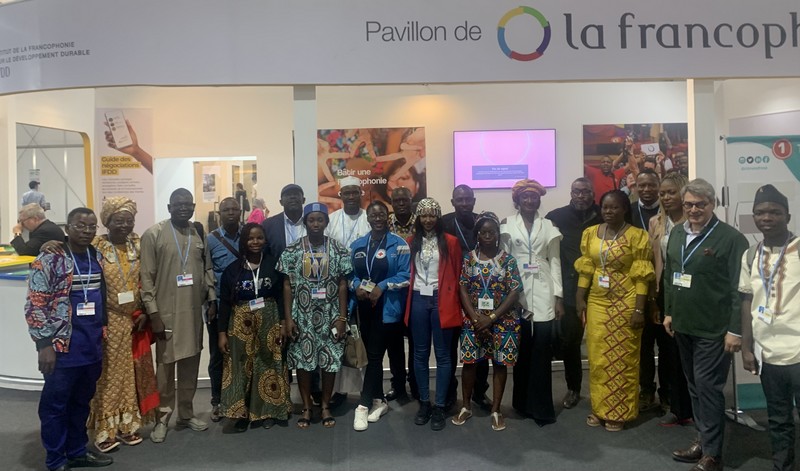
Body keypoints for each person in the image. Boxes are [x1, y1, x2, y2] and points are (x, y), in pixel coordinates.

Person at [663, 178, 748, 471]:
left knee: (709, 388)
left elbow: (741, 288)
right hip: (684, 324)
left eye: (701, 204)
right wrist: (669, 312)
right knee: (695, 387)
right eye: (689, 204)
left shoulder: (732, 239)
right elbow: (671, 274)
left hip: (714, 329)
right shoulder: (676, 233)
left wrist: (736, 330)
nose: (694, 210)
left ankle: (713, 455)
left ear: (713, 204)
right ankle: (703, 439)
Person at [25, 207, 113, 471]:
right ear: (68, 228)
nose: (86, 231)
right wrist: (44, 345)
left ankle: (76, 451)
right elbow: (35, 305)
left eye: (91, 226)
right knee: (55, 406)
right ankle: (55, 459)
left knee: (81, 402)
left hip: (91, 346)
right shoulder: (50, 258)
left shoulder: (95, 255)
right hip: (62, 348)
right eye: (80, 226)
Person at [140, 188, 216, 443]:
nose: (183, 208)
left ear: (193, 206)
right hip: (166, 314)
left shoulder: (197, 233)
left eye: (188, 204)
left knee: (190, 365)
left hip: (193, 313)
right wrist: (153, 314)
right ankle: (162, 417)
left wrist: (213, 298)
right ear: (169, 206)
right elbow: (146, 278)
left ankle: (186, 412)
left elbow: (206, 268)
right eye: (178, 204)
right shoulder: (154, 234)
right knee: (165, 368)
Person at [575, 190, 654, 432]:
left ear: (624, 209)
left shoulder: (637, 236)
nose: (608, 212)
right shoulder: (591, 234)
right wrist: (580, 297)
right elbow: (587, 269)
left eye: (614, 207)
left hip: (627, 302)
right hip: (598, 303)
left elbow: (642, 274)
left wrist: (640, 309)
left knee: (623, 358)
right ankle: (599, 409)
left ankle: (619, 412)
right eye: (605, 207)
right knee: (598, 358)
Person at [86, 198, 157, 452]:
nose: (125, 225)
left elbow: (150, 277)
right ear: (107, 221)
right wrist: (51, 244)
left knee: (131, 373)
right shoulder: (96, 246)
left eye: (129, 220)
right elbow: (68, 250)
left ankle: (128, 425)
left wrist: (146, 312)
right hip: (107, 320)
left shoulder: (137, 244)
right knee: (108, 376)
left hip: (135, 320)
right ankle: (105, 429)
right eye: (119, 220)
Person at [739, 185, 800, 471]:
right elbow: (747, 300)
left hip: (799, 352)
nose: (767, 217)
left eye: (775, 212)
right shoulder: (750, 255)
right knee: (778, 418)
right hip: (768, 354)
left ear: (787, 216)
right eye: (761, 212)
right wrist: (747, 348)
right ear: (753, 217)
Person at [277, 202, 351, 429]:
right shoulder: (293, 250)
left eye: (320, 220)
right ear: (305, 222)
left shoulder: (338, 249)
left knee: (329, 361)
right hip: (302, 315)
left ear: (326, 223)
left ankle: (326, 405)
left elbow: (342, 285)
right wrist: (288, 319)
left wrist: (342, 317)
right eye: (311, 220)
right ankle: (307, 406)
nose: (316, 224)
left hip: (329, 315)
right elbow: (287, 286)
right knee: (303, 361)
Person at [453, 212, 522, 432]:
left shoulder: (508, 260)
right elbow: (462, 287)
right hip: (473, 321)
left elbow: (514, 292)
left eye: (492, 232)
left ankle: (496, 409)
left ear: (497, 234)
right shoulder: (468, 259)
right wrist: (475, 317)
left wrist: (491, 318)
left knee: (500, 364)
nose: (488, 236)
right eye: (483, 232)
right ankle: (465, 406)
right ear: (477, 235)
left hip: (503, 322)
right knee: (470, 363)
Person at [218, 223, 290, 432]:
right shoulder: (233, 270)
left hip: (270, 320)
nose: (255, 242)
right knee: (242, 367)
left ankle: (268, 411)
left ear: (265, 240)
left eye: (259, 238)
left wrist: (284, 322)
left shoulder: (273, 265)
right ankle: (242, 414)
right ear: (244, 242)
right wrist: (222, 333)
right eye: (251, 238)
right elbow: (224, 303)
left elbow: (281, 294)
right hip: (241, 325)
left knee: (268, 364)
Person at [503, 179, 563, 426]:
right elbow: (504, 261)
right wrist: (507, 296)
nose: (530, 201)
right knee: (522, 350)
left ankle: (541, 408)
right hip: (517, 293)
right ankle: (521, 403)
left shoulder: (548, 226)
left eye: (534, 197)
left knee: (541, 350)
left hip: (544, 289)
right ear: (517, 200)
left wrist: (559, 296)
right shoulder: (507, 225)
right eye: (525, 197)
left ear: (539, 199)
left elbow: (556, 261)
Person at [350, 201, 411, 431]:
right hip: (364, 309)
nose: (377, 217)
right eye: (373, 214)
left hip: (387, 310)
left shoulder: (400, 244)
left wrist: (383, 286)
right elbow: (351, 274)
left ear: (388, 217)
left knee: (375, 356)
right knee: (370, 356)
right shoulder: (357, 245)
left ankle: (363, 405)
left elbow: (406, 276)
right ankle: (380, 400)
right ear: (367, 218)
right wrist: (357, 285)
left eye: (381, 214)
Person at [404, 198, 462, 430]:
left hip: (442, 299)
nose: (428, 220)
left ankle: (440, 405)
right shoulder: (411, 242)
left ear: (438, 217)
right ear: (418, 218)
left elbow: (457, 275)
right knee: (419, 353)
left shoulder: (451, 242)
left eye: (432, 215)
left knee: (443, 355)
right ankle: (424, 403)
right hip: (418, 298)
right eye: (424, 215)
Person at [545, 177, 602, 409]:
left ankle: (605, 389)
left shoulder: (604, 214)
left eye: (586, 191)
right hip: (570, 289)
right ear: (571, 192)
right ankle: (574, 388)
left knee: (603, 341)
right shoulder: (555, 217)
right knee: (571, 342)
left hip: (601, 289)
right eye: (577, 191)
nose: (581, 196)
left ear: (593, 193)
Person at [647, 172, 693, 426]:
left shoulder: (695, 220)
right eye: (662, 193)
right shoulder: (657, 223)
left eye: (670, 192)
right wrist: (654, 297)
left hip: (690, 291)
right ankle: (676, 406)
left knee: (689, 350)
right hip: (666, 290)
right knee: (668, 352)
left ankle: (694, 405)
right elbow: (658, 262)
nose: (665, 197)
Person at [325, 176, 375, 403]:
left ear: (361, 194)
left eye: (355, 192)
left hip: (366, 288)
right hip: (339, 289)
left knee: (366, 339)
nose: (352, 197)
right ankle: (341, 391)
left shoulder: (369, 219)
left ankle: (370, 389)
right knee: (342, 338)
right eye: (347, 193)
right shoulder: (332, 220)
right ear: (341, 195)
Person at [441, 184, 492, 410]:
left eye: (467, 199)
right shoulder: (444, 222)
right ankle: (451, 392)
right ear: (452, 202)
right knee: (451, 346)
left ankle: (480, 392)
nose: (464, 203)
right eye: (459, 200)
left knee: (482, 341)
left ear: (474, 200)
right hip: (452, 292)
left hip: (481, 293)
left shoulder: (482, 222)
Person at [631, 169, 668, 413]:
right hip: (637, 289)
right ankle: (646, 390)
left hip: (664, 287)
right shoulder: (629, 211)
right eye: (641, 186)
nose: (646, 190)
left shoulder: (668, 211)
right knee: (643, 346)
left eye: (651, 185)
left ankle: (667, 392)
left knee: (666, 345)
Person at [206, 197, 242, 423]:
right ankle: (217, 400)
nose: (230, 213)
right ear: (219, 213)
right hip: (219, 307)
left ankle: (243, 397)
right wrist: (210, 302)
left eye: (234, 209)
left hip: (245, 306)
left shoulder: (248, 236)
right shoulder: (211, 240)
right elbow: (207, 273)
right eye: (226, 210)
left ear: (240, 212)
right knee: (218, 355)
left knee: (243, 353)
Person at [388, 185, 417, 401]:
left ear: (411, 198)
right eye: (396, 200)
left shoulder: (422, 222)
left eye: (404, 199)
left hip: (417, 290)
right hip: (393, 292)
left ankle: (416, 383)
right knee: (394, 342)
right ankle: (398, 385)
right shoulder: (385, 223)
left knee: (417, 341)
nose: (400, 204)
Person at [262, 184, 306, 259]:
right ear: (281, 202)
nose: (292, 197)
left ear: (303, 200)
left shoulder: (313, 223)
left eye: (296, 194)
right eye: (288, 195)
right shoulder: (268, 225)